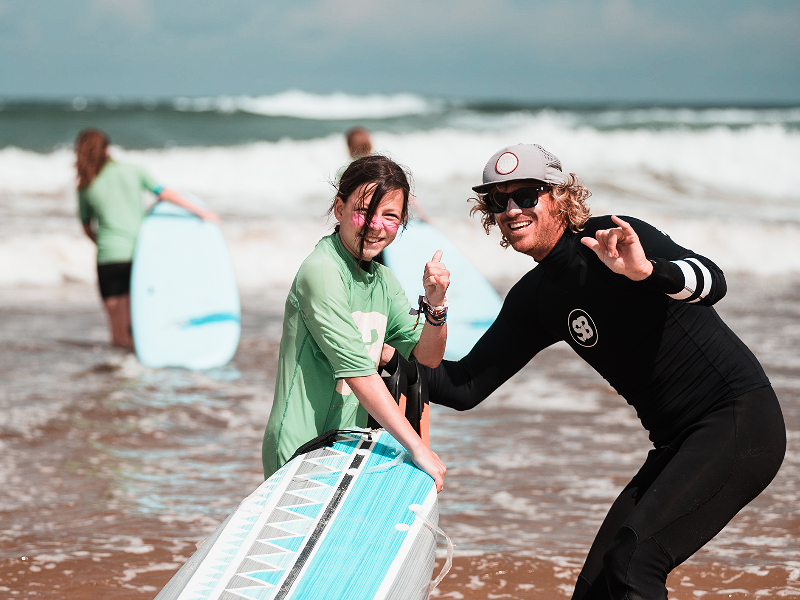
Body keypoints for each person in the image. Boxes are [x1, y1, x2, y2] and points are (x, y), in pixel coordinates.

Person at [419, 143, 786, 599]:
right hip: (677, 443)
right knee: (596, 591)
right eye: (499, 201)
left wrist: (648, 272)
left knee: (633, 566)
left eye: (527, 195)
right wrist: (380, 363)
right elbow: (465, 385)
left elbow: (713, 281)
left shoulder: (614, 238)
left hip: (739, 420)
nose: (512, 210)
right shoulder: (535, 298)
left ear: (559, 196)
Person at [261, 154, 449, 492]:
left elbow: (428, 356)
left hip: (344, 447)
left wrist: (436, 304)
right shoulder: (321, 271)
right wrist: (416, 447)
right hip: (298, 449)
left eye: (389, 216)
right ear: (339, 208)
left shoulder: (383, 281)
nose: (376, 225)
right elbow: (358, 371)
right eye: (364, 211)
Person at [75, 128, 218, 349]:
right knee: (141, 322)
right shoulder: (133, 170)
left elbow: (86, 227)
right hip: (139, 256)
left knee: (117, 330)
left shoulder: (86, 185)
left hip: (108, 258)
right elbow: (165, 193)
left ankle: (122, 375)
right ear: (107, 149)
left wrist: (105, 244)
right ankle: (141, 373)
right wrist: (201, 212)